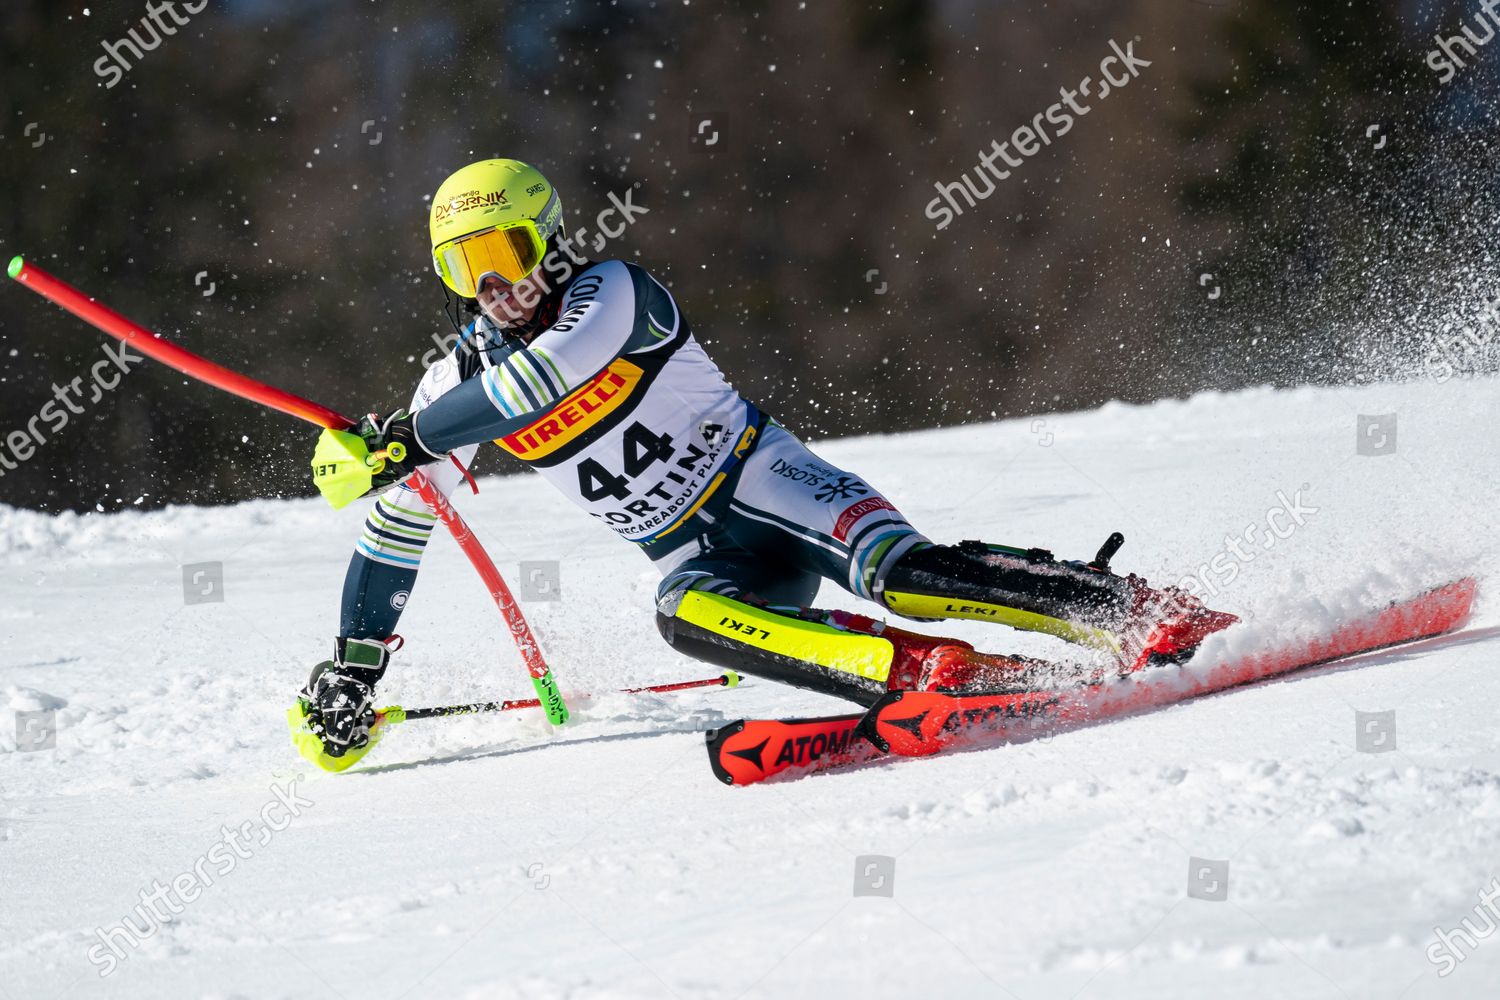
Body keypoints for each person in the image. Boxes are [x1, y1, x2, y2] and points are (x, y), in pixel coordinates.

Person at [293, 158, 1236, 766]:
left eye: (507, 253)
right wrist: (353, 670)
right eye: (466, 271)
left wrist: (401, 440)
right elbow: (400, 530)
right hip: (704, 556)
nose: (497, 288)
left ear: (550, 236)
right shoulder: (446, 388)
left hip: (766, 484)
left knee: (900, 573)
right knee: (681, 613)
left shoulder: (615, 295)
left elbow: (537, 386)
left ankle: (1132, 612)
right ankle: (929, 674)